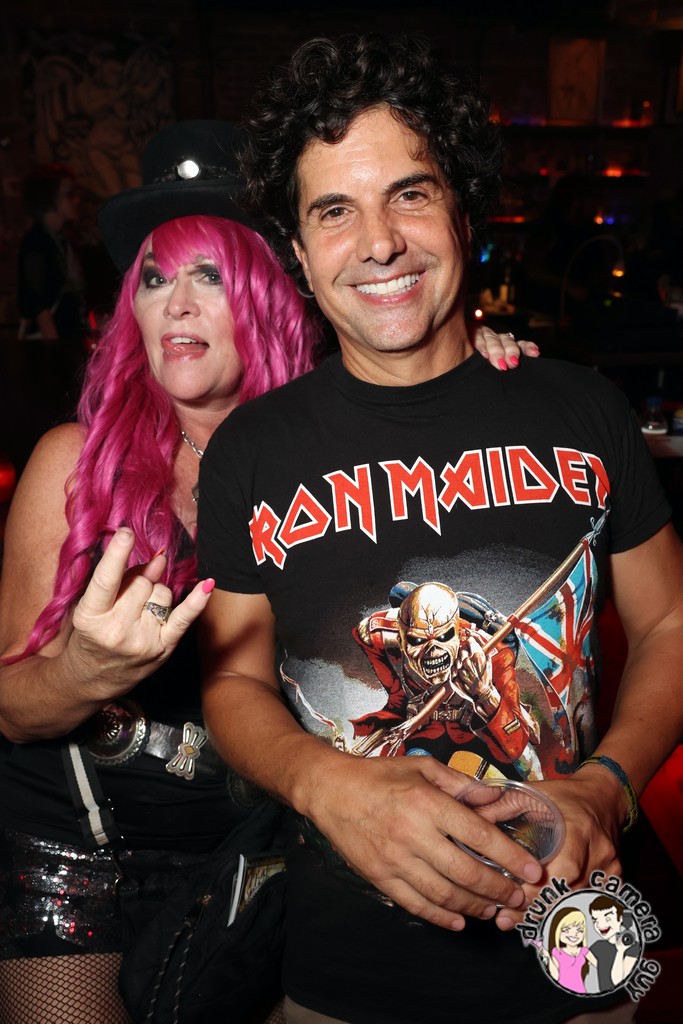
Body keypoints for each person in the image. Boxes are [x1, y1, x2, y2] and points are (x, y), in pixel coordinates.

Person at [196, 33, 683, 1024]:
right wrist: (327, 785)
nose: (378, 242)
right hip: (347, 967)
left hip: (582, 939)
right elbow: (232, 682)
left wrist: (608, 785)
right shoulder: (252, 448)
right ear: (298, 253)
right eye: (334, 211)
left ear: (463, 209)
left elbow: (671, 624)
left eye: (409, 194)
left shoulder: (581, 407)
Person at [0, 118, 527, 1024]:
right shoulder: (73, 462)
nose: (175, 303)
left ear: (270, 293)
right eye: (154, 279)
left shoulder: (334, 451)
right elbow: (12, 709)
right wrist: (82, 671)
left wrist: (466, 363)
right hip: (83, 845)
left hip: (273, 841)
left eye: (209, 275)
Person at [16, 163, 89, 421]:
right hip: (51, 354)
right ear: (49, 199)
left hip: (68, 346)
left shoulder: (62, 240)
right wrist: (59, 354)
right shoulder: (36, 242)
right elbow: (39, 305)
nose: (76, 200)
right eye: (69, 194)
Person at [540, 907, 597, 995]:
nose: (574, 934)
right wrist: (547, 957)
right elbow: (555, 976)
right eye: (566, 930)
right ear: (557, 931)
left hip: (581, 991)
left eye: (580, 930)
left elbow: (600, 966)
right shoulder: (557, 952)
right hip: (561, 992)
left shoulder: (584, 951)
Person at [588, 895, 640, 991]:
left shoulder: (633, 947)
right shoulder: (598, 946)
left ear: (620, 918)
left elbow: (618, 981)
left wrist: (620, 951)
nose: (600, 925)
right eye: (595, 920)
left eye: (607, 919)